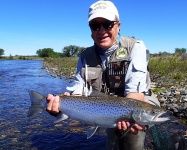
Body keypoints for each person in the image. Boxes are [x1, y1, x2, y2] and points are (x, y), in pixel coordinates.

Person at [46, 0, 160, 149]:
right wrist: (61, 105)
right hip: (106, 108)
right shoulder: (85, 56)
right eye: (95, 26)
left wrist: (128, 116)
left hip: (137, 102)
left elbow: (135, 93)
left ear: (118, 26)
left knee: (133, 138)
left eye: (107, 24)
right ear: (91, 30)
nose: (101, 30)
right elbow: (79, 91)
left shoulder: (135, 47)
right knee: (112, 144)